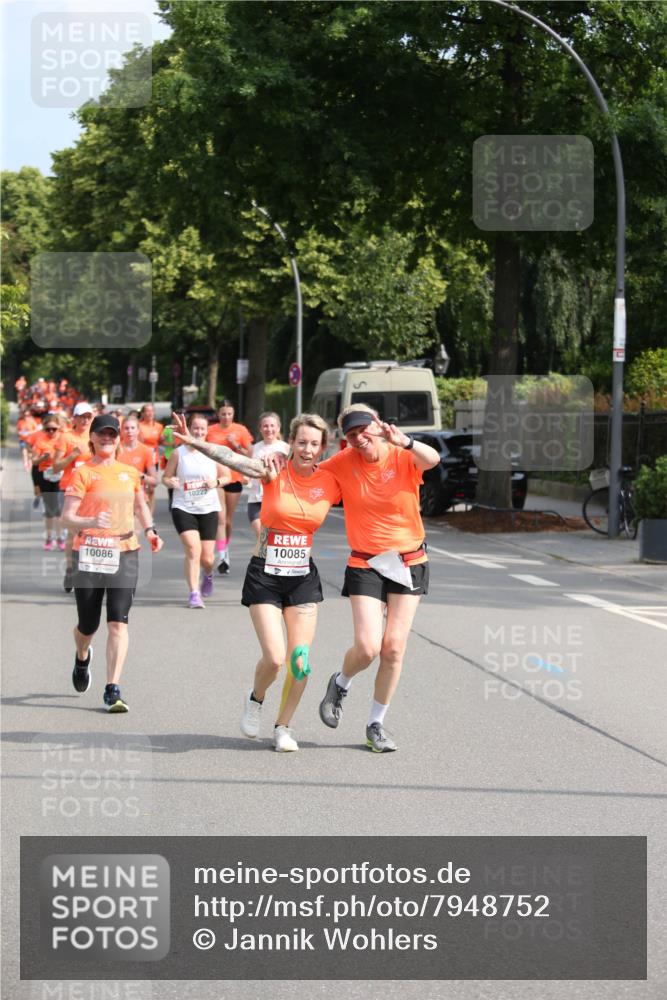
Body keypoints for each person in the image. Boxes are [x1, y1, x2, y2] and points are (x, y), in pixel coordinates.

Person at [173, 411, 340, 752]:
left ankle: (283, 727)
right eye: (301, 442)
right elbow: (233, 458)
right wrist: (195, 442)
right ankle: (256, 698)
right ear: (290, 443)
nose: (307, 449)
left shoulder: (331, 480)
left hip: (301, 577)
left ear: (323, 447)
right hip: (265, 572)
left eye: (314, 444)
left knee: (300, 660)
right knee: (276, 658)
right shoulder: (272, 468)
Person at [316, 404, 440, 753]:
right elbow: (307, 474)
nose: (359, 438)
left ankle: (375, 724)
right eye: (351, 434)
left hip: (408, 560)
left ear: (376, 425)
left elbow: (432, 460)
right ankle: (340, 683)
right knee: (369, 647)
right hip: (366, 562)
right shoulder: (341, 463)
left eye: (363, 430)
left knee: (394, 648)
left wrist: (407, 442)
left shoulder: (402, 453)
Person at [62, 414, 163, 713]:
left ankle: (112, 689)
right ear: (92, 438)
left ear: (119, 439)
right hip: (90, 551)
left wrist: (150, 530)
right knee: (89, 624)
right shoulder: (82, 473)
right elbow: (67, 517)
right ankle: (82, 656)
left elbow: (140, 505)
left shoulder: (129, 472)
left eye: (112, 435)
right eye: (102, 434)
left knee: (118, 622)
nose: (107, 439)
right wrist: (90, 520)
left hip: (125, 550)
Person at [162, 413, 231, 608]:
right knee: (193, 550)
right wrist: (171, 481)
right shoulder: (179, 453)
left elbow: (227, 477)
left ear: (207, 431)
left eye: (202, 429)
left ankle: (208, 575)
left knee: (207, 558)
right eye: (195, 428)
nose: (198, 432)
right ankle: (194, 593)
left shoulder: (214, 452)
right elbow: (165, 477)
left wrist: (216, 482)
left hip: (208, 508)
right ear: (189, 429)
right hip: (183, 506)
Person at [206, 400, 253, 574]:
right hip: (216, 478)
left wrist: (236, 445)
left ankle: (225, 547)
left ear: (233, 414)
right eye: (223, 413)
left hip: (234, 477)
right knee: (221, 517)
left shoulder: (240, 430)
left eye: (229, 414)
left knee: (228, 521)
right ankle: (222, 554)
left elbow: (250, 453)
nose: (226, 417)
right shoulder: (210, 431)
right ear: (218, 414)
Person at [52, 401, 94, 592]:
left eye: (88, 416)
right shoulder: (65, 437)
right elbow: (56, 466)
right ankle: (70, 569)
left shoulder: (95, 436)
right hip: (69, 489)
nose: (85, 420)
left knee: (92, 532)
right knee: (73, 532)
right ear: (74, 419)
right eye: (82, 416)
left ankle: (88, 571)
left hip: (91, 490)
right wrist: (73, 456)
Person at [247, 412, 290, 538]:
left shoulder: (286, 448)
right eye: (265, 426)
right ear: (260, 428)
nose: (269, 429)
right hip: (257, 501)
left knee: (275, 540)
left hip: (279, 500)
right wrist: (245, 477)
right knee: (263, 538)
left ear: (278, 428)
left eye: (272, 426)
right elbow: (247, 472)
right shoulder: (254, 449)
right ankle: (262, 557)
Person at [27, 414, 66, 548]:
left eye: (54, 429)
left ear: (58, 428)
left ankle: (60, 538)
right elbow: (34, 461)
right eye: (48, 429)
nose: (51, 432)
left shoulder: (63, 438)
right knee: (50, 510)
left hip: (61, 477)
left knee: (59, 509)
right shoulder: (40, 441)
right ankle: (49, 538)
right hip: (46, 477)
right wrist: (43, 458)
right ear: (44, 428)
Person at [117, 414, 158, 504]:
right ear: (121, 431)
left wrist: (141, 476)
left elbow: (154, 481)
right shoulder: (115, 450)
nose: (129, 431)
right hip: (119, 498)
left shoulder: (145, 450)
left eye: (132, 428)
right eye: (126, 428)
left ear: (138, 430)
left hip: (139, 499)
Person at [137, 404, 164, 515]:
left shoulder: (159, 426)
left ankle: (150, 514)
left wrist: (168, 435)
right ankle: (140, 510)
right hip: (141, 458)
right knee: (140, 486)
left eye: (151, 411)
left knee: (152, 488)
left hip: (153, 459)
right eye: (147, 411)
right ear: (143, 413)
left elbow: (163, 441)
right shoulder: (138, 425)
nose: (149, 413)